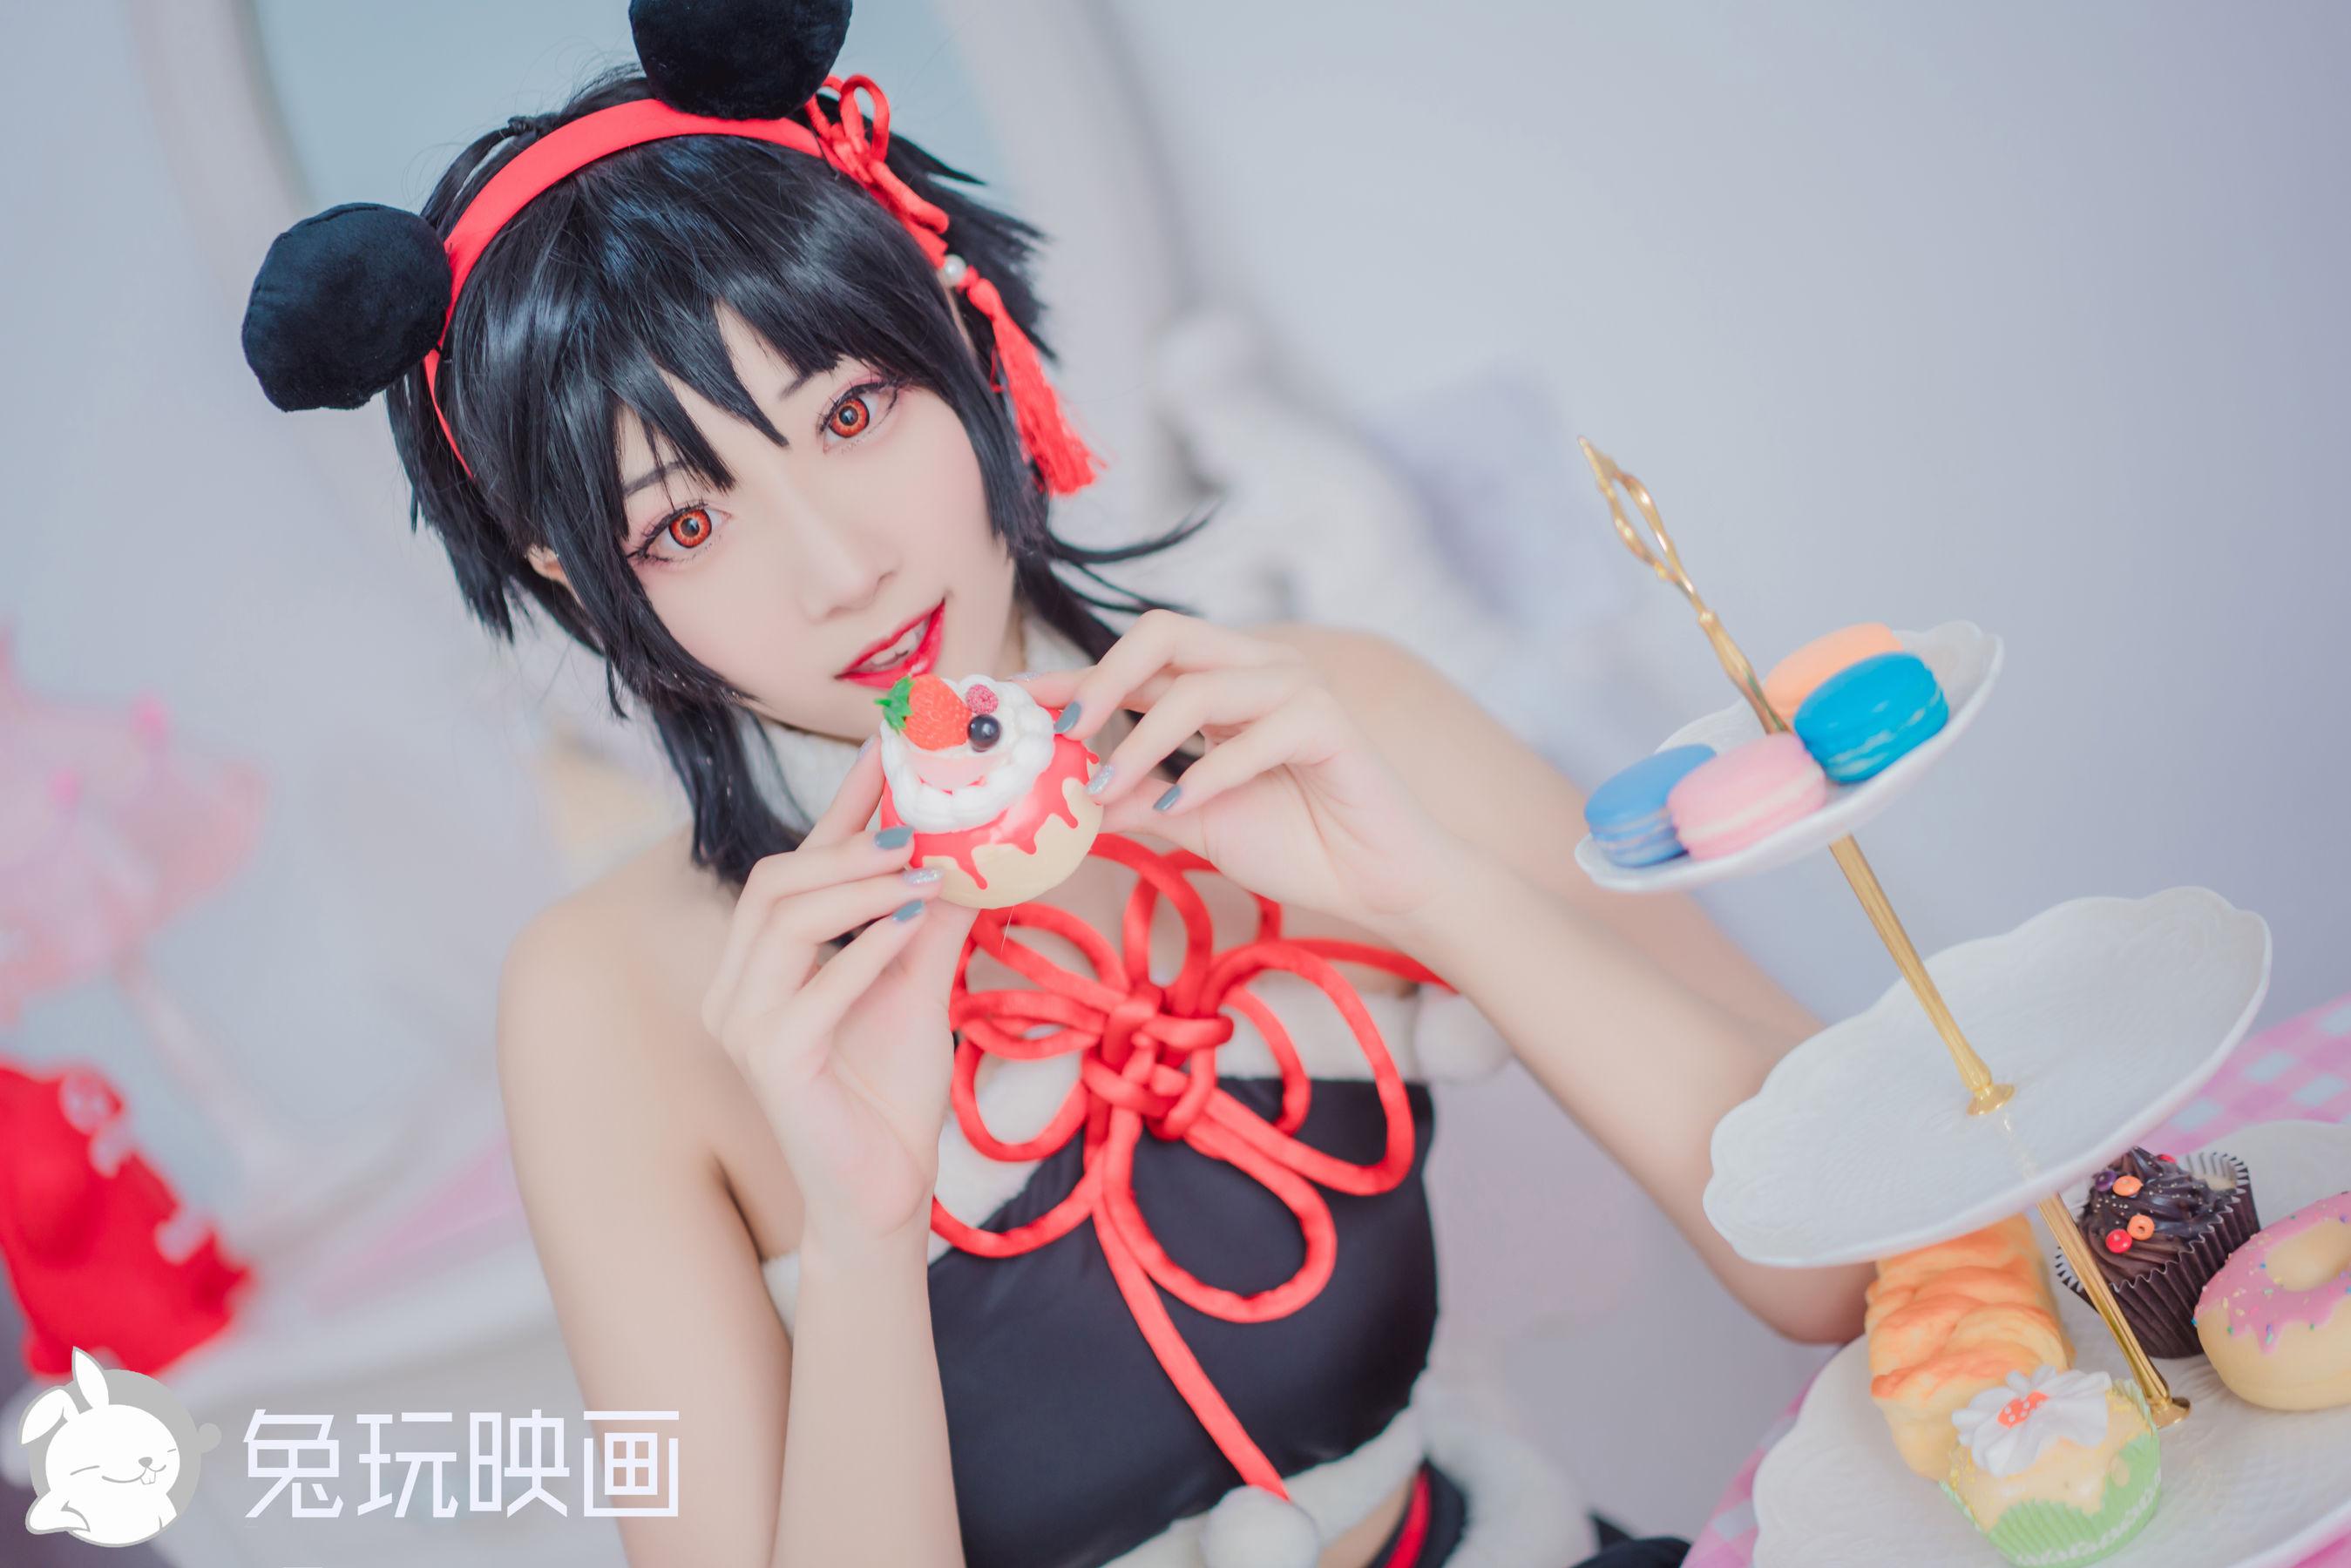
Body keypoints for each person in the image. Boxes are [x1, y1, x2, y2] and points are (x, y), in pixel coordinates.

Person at [238, 4, 1871, 1565]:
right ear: (588, 591)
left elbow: (1855, 1256)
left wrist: (1432, 898)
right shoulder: (610, 1003)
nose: (840, 569)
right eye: (685, 522)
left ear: (964, 331)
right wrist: (863, 1235)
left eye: (853, 411)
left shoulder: (1323, 716)